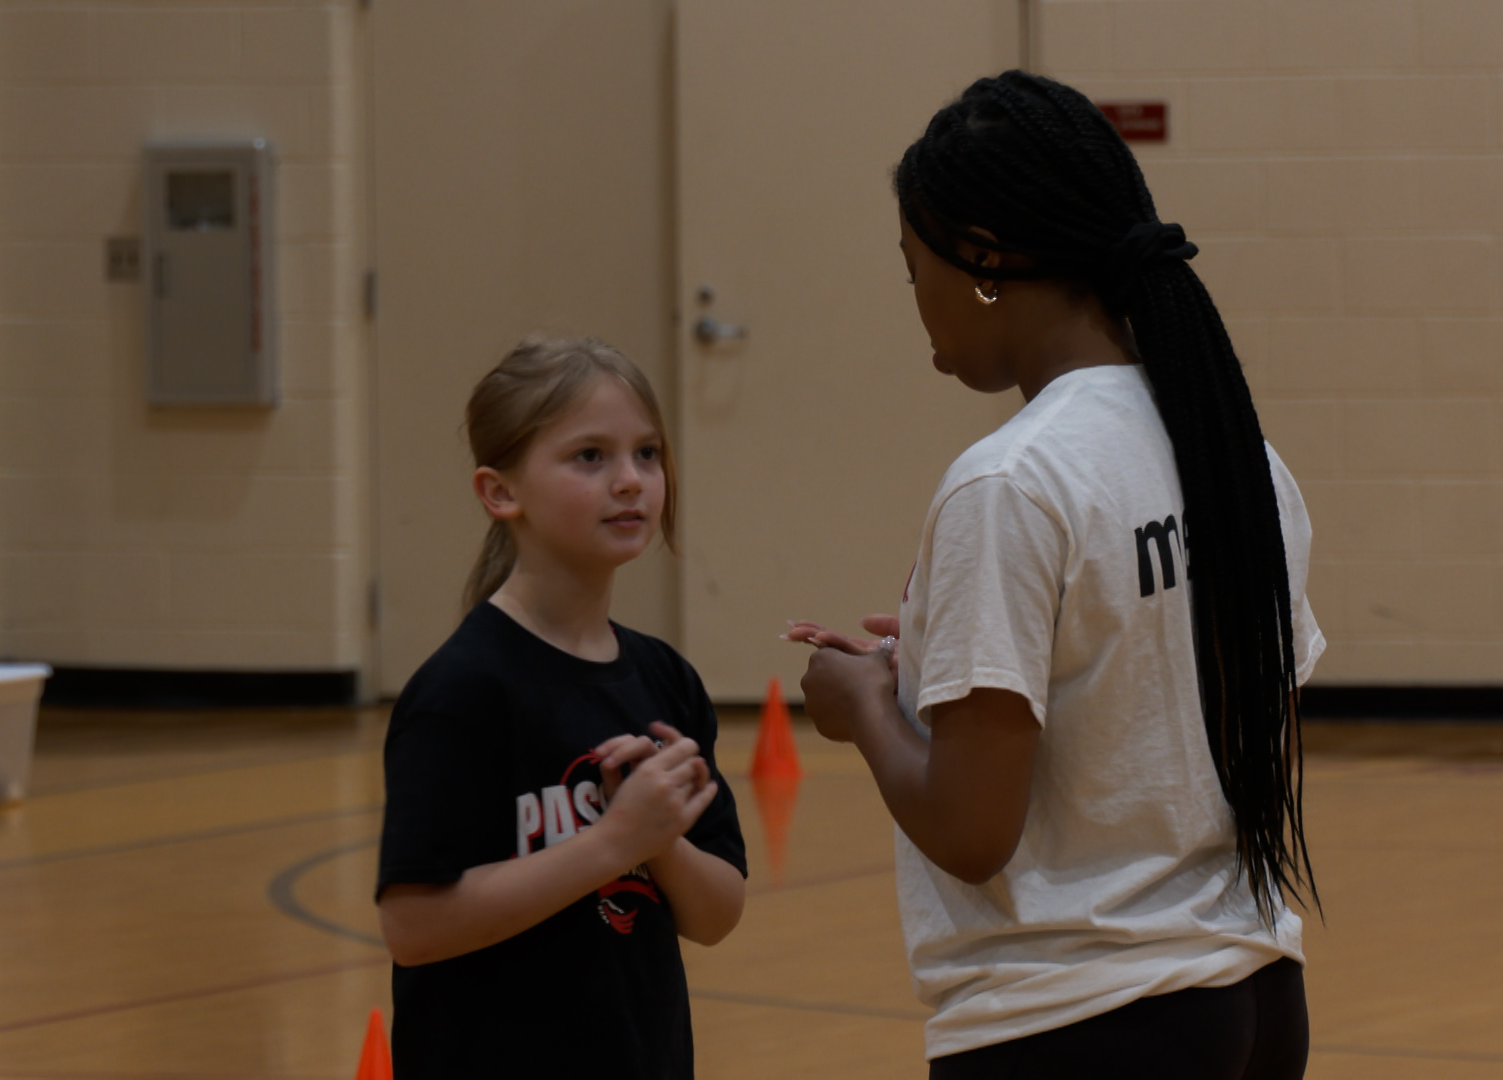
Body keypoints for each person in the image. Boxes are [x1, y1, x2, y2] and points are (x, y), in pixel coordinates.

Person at [788, 71, 1324, 1078]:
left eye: (915, 270)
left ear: (984, 261)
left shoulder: (1012, 480)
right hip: (1254, 1002)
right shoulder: (1237, 454)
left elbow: (971, 829)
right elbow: (1248, 741)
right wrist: (948, 670)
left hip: (1075, 1020)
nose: (919, 304)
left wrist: (865, 704)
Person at [375, 337, 747, 1079]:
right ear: (499, 492)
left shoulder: (665, 680)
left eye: (647, 453)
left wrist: (660, 841)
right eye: (590, 457)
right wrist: (613, 843)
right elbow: (412, 927)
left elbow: (716, 915)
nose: (631, 481)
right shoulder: (465, 692)